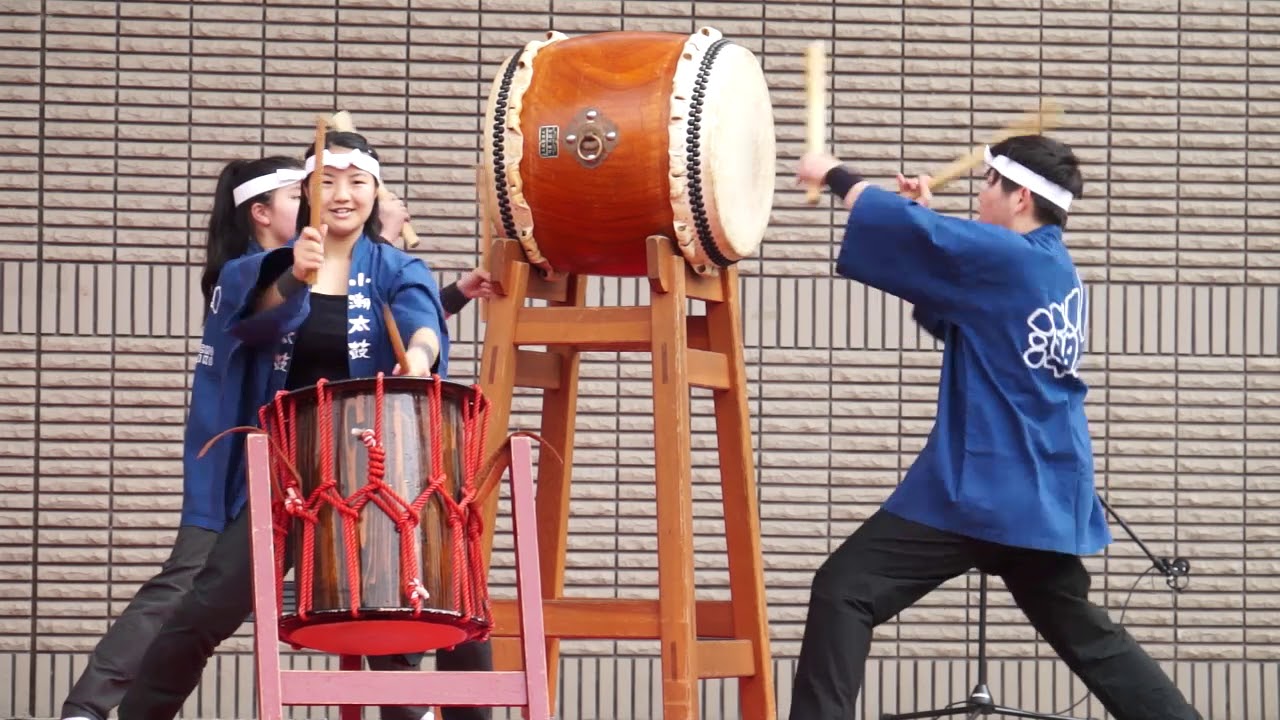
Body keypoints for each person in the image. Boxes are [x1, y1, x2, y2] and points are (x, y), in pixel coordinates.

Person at [789, 135, 1202, 720]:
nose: (980, 194)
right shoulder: (1054, 269)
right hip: (1038, 496)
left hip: (980, 490)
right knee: (1093, 641)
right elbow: (961, 294)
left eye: (989, 183)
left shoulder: (1010, 260)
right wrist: (923, 222)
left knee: (844, 590)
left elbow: (916, 237)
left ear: (1020, 196)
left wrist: (833, 173)